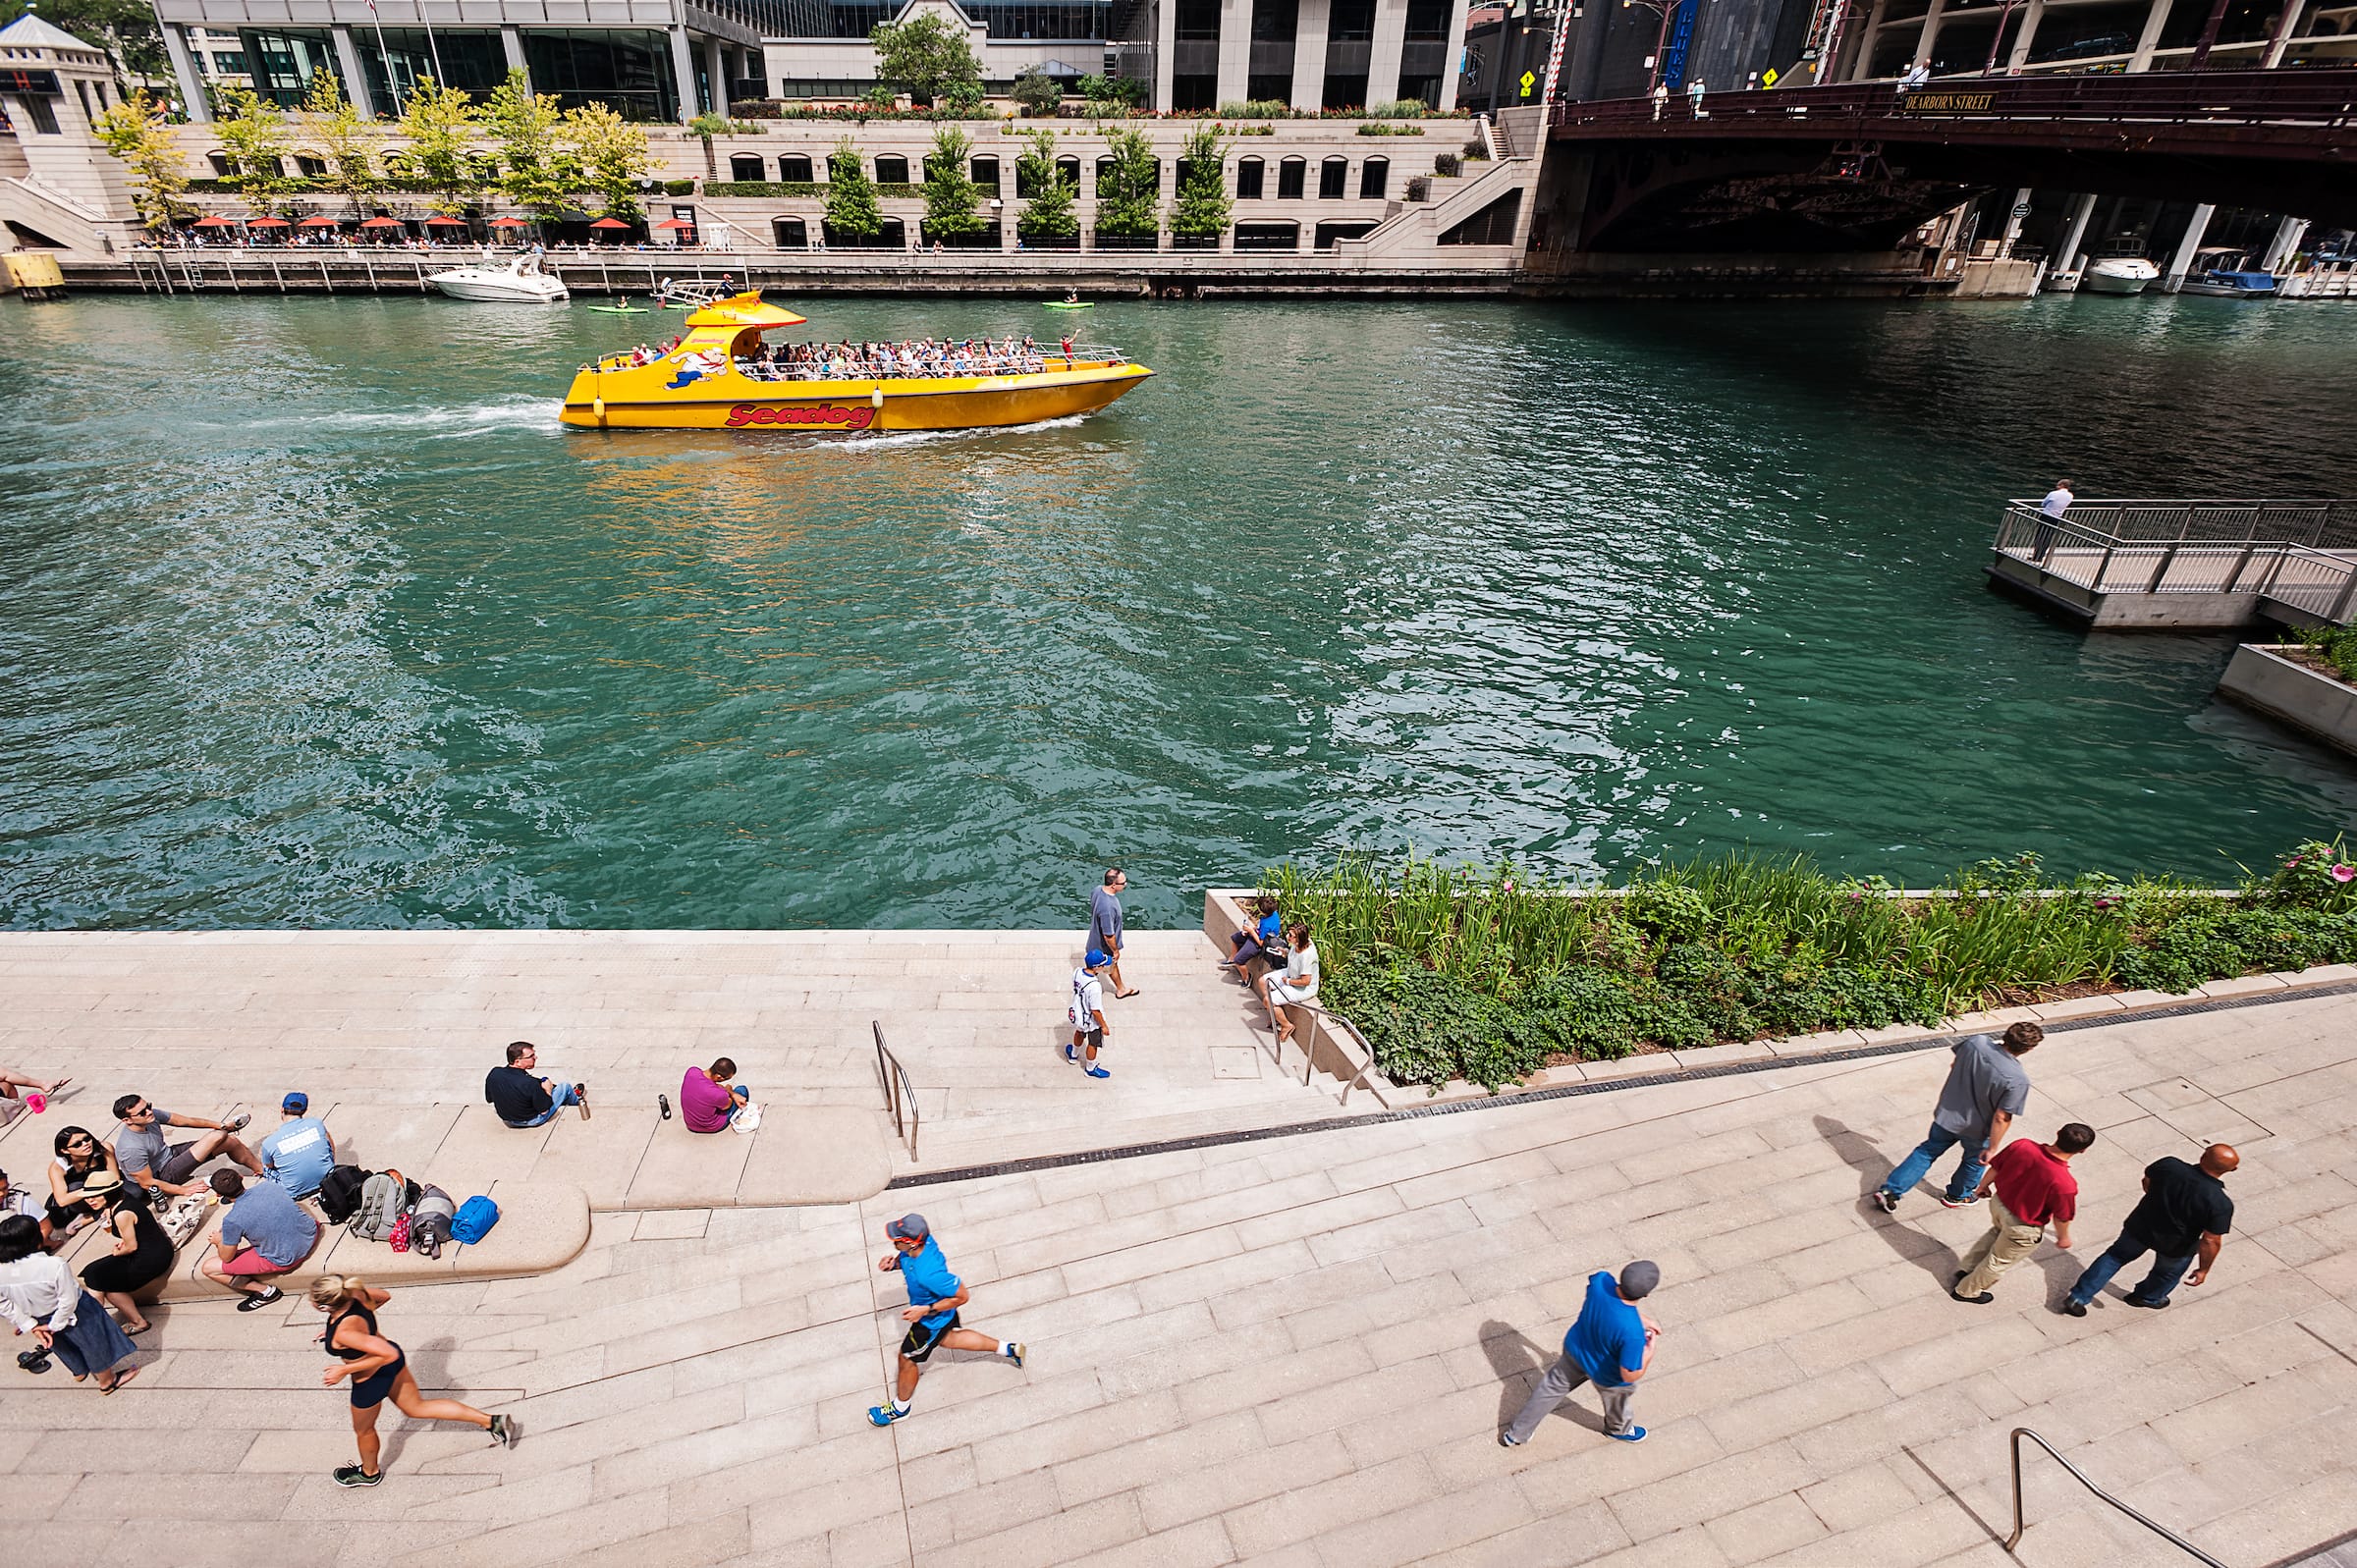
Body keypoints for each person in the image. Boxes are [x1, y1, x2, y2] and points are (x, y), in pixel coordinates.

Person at [312, 1274, 515, 1486]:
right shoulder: (356, 1295)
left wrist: (344, 1370)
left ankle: (369, 1473)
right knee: (417, 1408)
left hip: (370, 1381)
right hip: (393, 1368)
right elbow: (384, 1297)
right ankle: (492, 1422)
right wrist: (332, 1331)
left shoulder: (344, 1333)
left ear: (324, 1306)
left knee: (364, 1430)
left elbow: (386, 1354)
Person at [866, 1214, 1023, 1428]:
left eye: (897, 1238)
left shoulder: (930, 1274)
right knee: (949, 1339)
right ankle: (1009, 1349)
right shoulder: (921, 1244)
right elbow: (910, 1260)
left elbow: (962, 1296)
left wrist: (925, 1310)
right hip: (943, 1317)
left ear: (910, 1242)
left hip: (930, 1322)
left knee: (907, 1359)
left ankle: (900, 1408)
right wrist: (894, 1265)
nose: (893, 1241)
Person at [1873, 1021, 2041, 1214]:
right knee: (1974, 1161)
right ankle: (1958, 1196)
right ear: (2029, 1049)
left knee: (1926, 1152)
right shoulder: (2018, 1079)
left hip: (1947, 1114)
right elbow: (2002, 1116)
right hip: (1977, 1129)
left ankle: (1890, 1191)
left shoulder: (1977, 1043)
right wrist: (1993, 1148)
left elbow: (1955, 1064)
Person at [1500, 1260, 1661, 1447]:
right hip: (1607, 1375)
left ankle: (1517, 1434)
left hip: (1575, 1351)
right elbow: (1630, 1373)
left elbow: (1613, 1306)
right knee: (1618, 1402)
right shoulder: (1633, 1334)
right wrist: (1649, 1350)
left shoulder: (1601, 1282)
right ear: (1647, 1294)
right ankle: (1618, 1430)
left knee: (1548, 1390)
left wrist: (1641, 1318)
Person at [2062, 1143, 2238, 1316]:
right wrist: (2203, 1269)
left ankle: (2078, 1297)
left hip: (2140, 1226)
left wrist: (2155, 1198)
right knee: (2165, 1274)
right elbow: (2211, 1239)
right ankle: (2146, 1297)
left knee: (2114, 1257)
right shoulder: (2220, 1204)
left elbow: (2147, 1180)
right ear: (2231, 1170)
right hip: (2176, 1246)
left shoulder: (2170, 1165)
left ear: (2203, 1156)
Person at [1951, 1122, 2094, 1304]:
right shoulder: (2065, 1184)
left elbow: (1996, 1167)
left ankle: (1967, 1269)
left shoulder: (2023, 1145)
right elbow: (2062, 1216)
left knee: (1995, 1233)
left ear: (2058, 1133)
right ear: (2083, 1150)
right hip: (2022, 1226)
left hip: (1999, 1204)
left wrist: (1982, 1187)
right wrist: (2063, 1237)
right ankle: (1966, 1291)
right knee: (1999, 1260)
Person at [0, 1215, 140, 1392]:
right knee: (94, 1342)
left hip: (37, 1316)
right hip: (76, 1313)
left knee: (62, 1346)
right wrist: (56, 1323)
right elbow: (68, 1299)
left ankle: (79, 1371)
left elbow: (3, 1304)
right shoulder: (53, 1264)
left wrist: (30, 1325)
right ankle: (107, 1380)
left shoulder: (2, 1271)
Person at [200, 1169, 320, 1311]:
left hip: (288, 1257)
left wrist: (219, 1241)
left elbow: (226, 1257)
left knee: (209, 1268)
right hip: (311, 1232)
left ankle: (266, 1292)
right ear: (241, 1177)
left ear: (218, 1194)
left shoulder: (232, 1220)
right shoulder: (269, 1185)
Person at [74, 1170, 170, 1335]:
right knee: (92, 1272)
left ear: (109, 1193)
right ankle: (102, 1323)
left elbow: (131, 1247)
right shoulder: (121, 1202)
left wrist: (118, 1252)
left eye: (96, 1196)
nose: (90, 1200)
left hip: (151, 1258)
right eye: (88, 1197)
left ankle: (103, 1325)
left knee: (101, 1280)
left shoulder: (122, 1214)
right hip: (150, 1248)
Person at [111, 1095, 259, 1201]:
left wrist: (220, 1125)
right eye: (142, 1112)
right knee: (217, 1137)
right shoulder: (130, 1149)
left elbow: (186, 1121)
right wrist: (183, 1190)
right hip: (162, 1175)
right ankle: (226, 1130)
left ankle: (262, 1170)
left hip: (169, 1154)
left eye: (148, 1106)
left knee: (230, 1141)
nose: (149, 1112)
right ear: (127, 1120)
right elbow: (147, 1182)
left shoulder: (151, 1117)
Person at [483, 1041, 588, 1128]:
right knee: (564, 1087)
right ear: (517, 1062)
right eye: (531, 1056)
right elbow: (544, 1111)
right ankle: (577, 1099)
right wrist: (547, 1090)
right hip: (530, 1120)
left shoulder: (494, 1073)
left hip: (507, 1119)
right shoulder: (530, 1083)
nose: (535, 1058)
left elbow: (490, 1099)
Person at [44, 1125, 121, 1236]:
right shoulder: (58, 1167)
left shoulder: (103, 1148)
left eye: (86, 1139)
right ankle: (88, 1216)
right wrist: (93, 1190)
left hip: (103, 1187)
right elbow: (62, 1200)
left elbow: (115, 1177)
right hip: (78, 1197)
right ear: (65, 1150)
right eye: (77, 1144)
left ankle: (95, 1215)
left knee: (135, 1191)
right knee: (74, 1187)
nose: (85, 1144)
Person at [1255, 922, 1321, 1048]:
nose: (1287, 936)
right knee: (1263, 981)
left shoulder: (1307, 956)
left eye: (1291, 935)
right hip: (1291, 972)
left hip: (1302, 987)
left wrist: (1288, 981)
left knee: (1268, 1000)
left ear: (1299, 939)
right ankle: (1274, 1013)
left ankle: (1286, 1025)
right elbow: (1293, 953)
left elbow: (1305, 981)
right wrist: (1285, 951)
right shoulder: (1298, 944)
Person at [259, 1093, 335, 1200]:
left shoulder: (269, 1142)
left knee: (264, 1165)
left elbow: (269, 1166)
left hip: (294, 1193)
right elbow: (330, 1147)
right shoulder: (317, 1124)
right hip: (328, 1181)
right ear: (305, 1110)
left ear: (282, 1110)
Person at [1089, 868, 1140, 1000]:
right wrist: (1115, 950)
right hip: (1104, 946)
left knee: (1096, 967)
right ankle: (1120, 989)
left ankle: (1093, 984)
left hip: (1093, 941)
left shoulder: (1097, 890)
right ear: (1113, 885)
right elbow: (1108, 935)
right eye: (1123, 883)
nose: (1125, 885)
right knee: (1110, 965)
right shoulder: (1108, 907)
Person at [1068, 949, 1113, 1080]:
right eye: (1102, 964)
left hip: (1079, 1015)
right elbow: (1095, 1010)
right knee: (1093, 1043)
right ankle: (1090, 1068)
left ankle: (1073, 1055)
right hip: (1091, 1021)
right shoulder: (1095, 987)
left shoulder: (1077, 972)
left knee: (1079, 1032)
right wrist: (1103, 1026)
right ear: (1096, 967)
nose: (1104, 966)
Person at [678, 1057, 749, 1133]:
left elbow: (708, 1085)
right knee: (742, 1090)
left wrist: (724, 1090)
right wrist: (730, 1091)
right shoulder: (718, 1094)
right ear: (719, 1077)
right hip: (711, 1126)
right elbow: (727, 1105)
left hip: (690, 1124)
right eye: (726, 1079)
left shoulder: (691, 1071)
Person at [1223, 895, 1283, 974]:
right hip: (1258, 933)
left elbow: (1261, 943)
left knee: (1239, 960)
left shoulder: (1266, 925)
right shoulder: (1273, 913)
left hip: (1261, 943)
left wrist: (1251, 931)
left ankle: (1246, 978)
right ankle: (1232, 958)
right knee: (1236, 938)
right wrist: (1254, 929)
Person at [2033, 478, 2073, 562]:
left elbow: (2043, 504)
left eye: (2058, 485)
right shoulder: (2070, 496)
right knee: (2048, 537)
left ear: (2062, 485)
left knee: (2040, 536)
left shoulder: (2053, 493)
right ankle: (2041, 555)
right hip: (2056, 518)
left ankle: (2036, 555)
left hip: (2046, 516)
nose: (2056, 486)